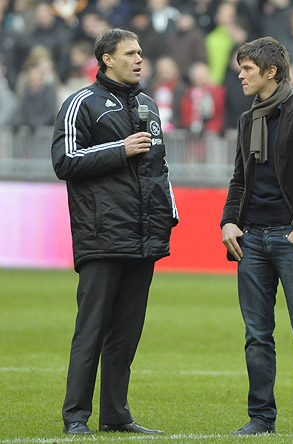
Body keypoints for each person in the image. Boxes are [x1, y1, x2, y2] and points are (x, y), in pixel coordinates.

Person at [51, 28, 179, 435]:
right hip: (102, 234)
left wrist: (168, 215)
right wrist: (118, 148)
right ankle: (75, 417)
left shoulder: (148, 105)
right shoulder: (81, 104)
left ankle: (115, 415)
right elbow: (64, 160)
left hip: (144, 235)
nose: (140, 59)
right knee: (91, 329)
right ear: (106, 58)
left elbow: (158, 168)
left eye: (141, 52)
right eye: (131, 53)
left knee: (126, 333)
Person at [220, 37, 293, 438]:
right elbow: (240, 178)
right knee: (257, 335)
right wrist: (228, 222)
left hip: (292, 240)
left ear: (271, 72)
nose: (240, 75)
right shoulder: (246, 119)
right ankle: (261, 417)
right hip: (250, 238)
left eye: (247, 68)